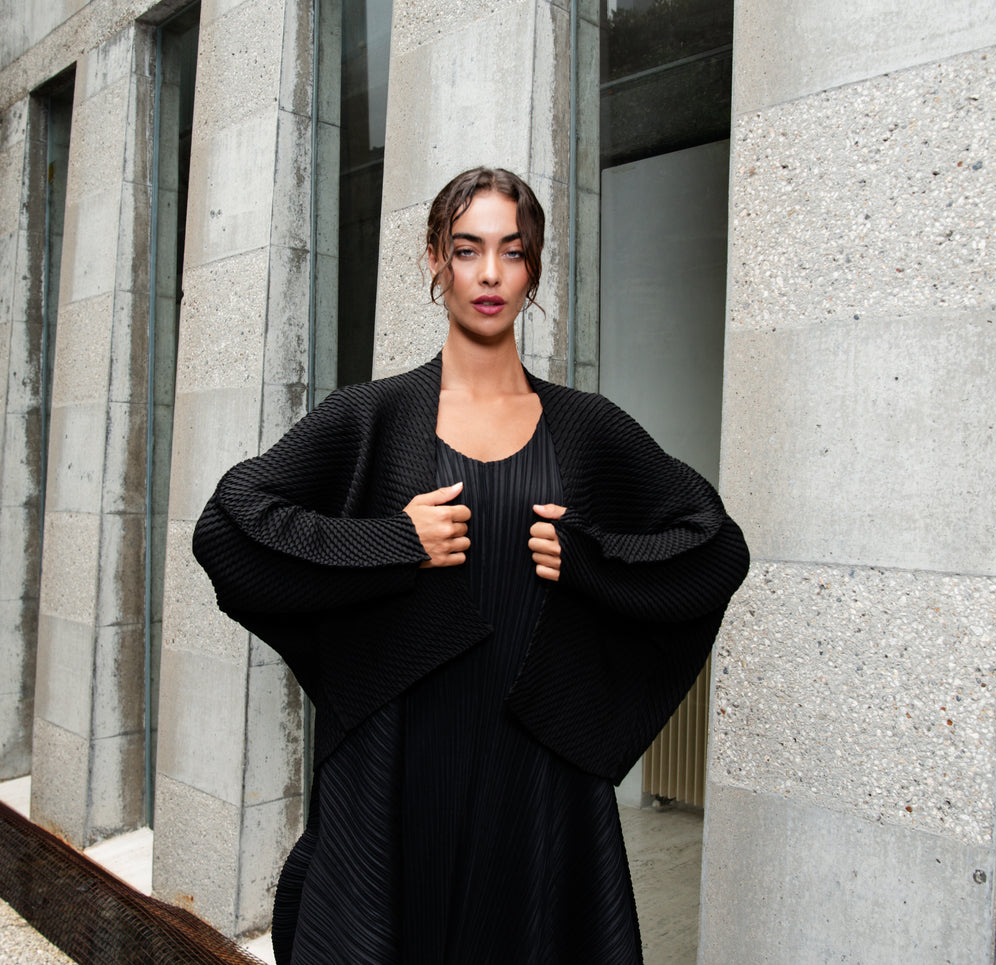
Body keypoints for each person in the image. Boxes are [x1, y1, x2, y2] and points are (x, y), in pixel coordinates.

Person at [193, 167, 749, 964]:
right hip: (400, 766)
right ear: (434, 260)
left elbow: (713, 546)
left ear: (534, 268)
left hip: (540, 771)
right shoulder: (372, 414)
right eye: (466, 249)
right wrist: (392, 542)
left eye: (511, 252)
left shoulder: (586, 427)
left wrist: (594, 562)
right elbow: (228, 527)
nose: (489, 273)